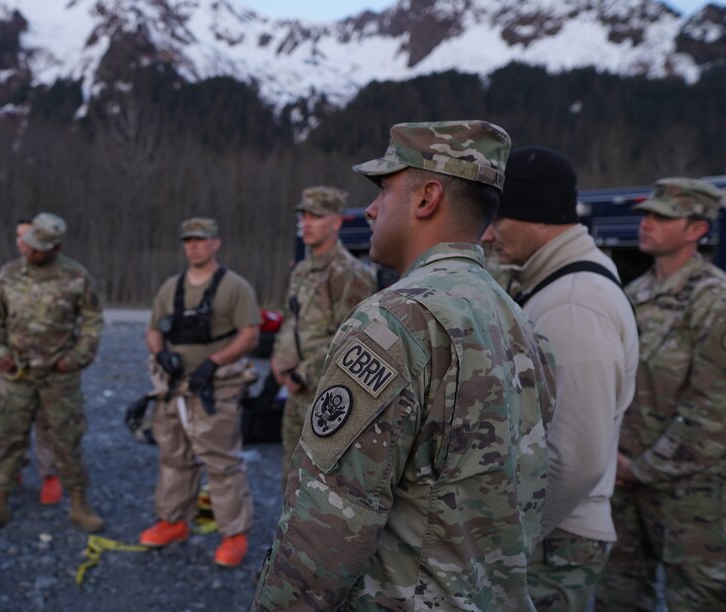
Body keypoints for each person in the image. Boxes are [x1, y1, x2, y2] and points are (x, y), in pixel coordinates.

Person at [252, 120, 557, 610]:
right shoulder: (520, 322)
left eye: (384, 189)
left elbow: (331, 522)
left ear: (426, 198)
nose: (370, 209)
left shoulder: (397, 319)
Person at [481, 146, 639, 610]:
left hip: (553, 537)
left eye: (499, 219)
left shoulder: (573, 302)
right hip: (551, 534)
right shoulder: (558, 284)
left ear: (538, 217)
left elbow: (576, 458)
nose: (488, 235)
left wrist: (504, 544)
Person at [596, 178, 726, 610]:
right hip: (623, 479)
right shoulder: (634, 296)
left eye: (662, 216)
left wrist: (644, 468)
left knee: (697, 600)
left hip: (691, 493)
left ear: (697, 230)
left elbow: (712, 412)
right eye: (646, 215)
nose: (647, 223)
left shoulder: (713, 302)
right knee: (618, 596)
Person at [0, 212, 105, 533]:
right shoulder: (8, 275)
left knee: (67, 438)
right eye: (28, 245)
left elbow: (92, 322)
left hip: (59, 376)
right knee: (9, 438)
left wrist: (75, 358)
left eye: (38, 248)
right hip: (15, 374)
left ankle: (79, 503)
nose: (29, 252)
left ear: (55, 248)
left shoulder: (76, 277)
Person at [140, 217, 260, 568]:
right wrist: (160, 353)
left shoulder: (234, 287)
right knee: (174, 457)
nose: (194, 245)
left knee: (222, 462)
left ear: (215, 243)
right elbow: (152, 329)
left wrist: (214, 362)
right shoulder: (170, 288)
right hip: (174, 388)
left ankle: (234, 534)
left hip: (216, 387)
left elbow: (249, 335)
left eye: (200, 239)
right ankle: (173, 520)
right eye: (188, 240)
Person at [272, 186, 375, 489]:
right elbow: (292, 319)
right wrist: (278, 359)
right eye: (303, 215)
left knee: (323, 481)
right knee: (291, 474)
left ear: (336, 221)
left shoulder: (349, 274)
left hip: (327, 395)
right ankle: (287, 535)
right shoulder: (302, 271)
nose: (305, 223)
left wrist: (303, 374)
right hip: (293, 390)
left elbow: (353, 338)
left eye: (315, 216)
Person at [0, 218, 62, 505]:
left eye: (27, 236)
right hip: (11, 365)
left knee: (46, 421)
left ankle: (50, 475)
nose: (22, 241)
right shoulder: (7, 275)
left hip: (48, 365)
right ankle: (9, 469)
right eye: (18, 236)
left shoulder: (63, 276)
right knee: (9, 421)